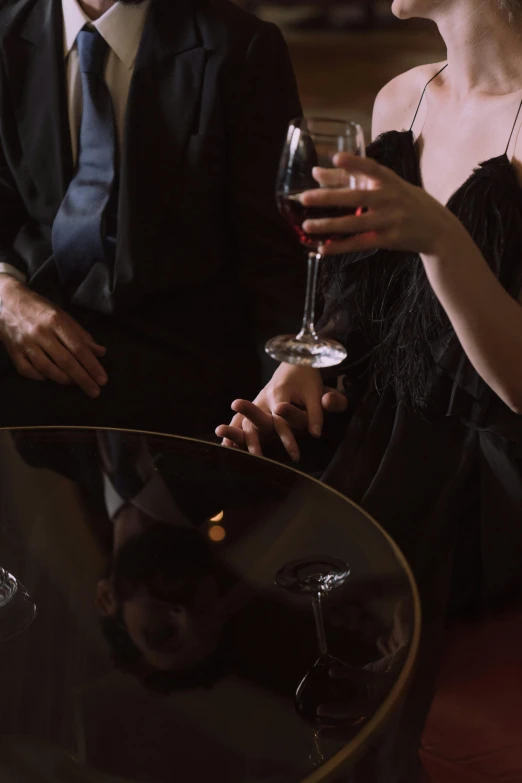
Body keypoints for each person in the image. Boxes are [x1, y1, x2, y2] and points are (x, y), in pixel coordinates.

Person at [216, 0, 522, 779]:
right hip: (379, 429)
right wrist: (305, 369)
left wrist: (442, 237)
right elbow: (365, 306)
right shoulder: (401, 96)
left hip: (486, 476)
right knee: (209, 552)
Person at [0, 0, 305, 435]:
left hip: (182, 362)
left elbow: (275, 254)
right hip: (33, 330)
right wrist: (4, 293)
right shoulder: (5, 31)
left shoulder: (241, 47)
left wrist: (281, 374)